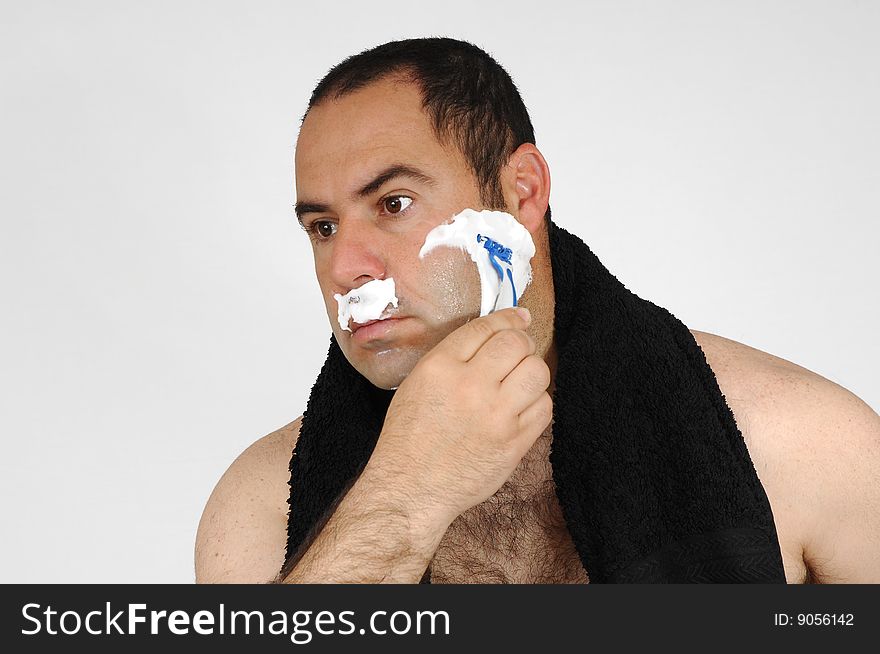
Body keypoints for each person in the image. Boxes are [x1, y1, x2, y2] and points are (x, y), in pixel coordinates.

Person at [194, 38, 880, 584]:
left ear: (522, 191)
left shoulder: (807, 447)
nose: (345, 268)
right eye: (322, 228)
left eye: (394, 204)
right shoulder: (258, 507)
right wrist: (405, 497)